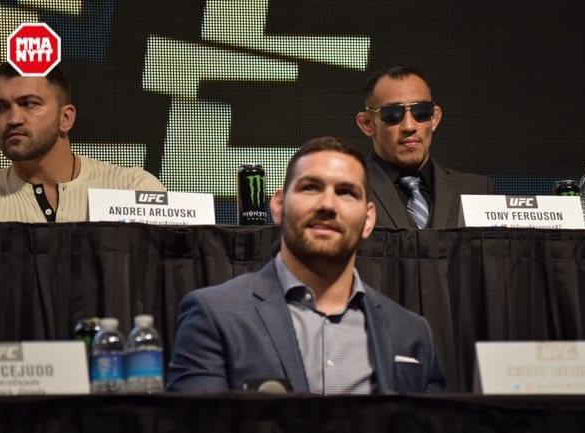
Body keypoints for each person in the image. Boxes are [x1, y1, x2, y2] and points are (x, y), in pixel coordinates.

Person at [167, 136, 446, 395]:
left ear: (368, 219)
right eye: (310, 187)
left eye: (346, 192)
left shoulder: (412, 333)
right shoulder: (215, 316)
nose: (327, 204)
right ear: (278, 206)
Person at [0, 62, 165, 222]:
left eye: (30, 104)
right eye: (1, 107)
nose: (13, 119)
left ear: (65, 118)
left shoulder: (132, 188)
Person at [355, 65, 494, 229]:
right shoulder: (346, 189)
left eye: (421, 111)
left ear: (434, 118)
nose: (409, 126)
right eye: (392, 114)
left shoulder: (476, 190)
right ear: (367, 123)